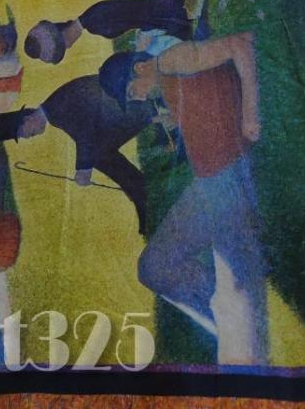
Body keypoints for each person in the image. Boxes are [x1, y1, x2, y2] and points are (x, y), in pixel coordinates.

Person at [98, 32, 268, 365]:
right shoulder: (169, 76)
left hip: (227, 179)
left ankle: (235, 314)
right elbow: (198, 98)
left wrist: (250, 112)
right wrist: (174, 120)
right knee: (152, 268)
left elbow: (242, 43)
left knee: (241, 302)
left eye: (133, 92)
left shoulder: (172, 59)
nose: (139, 98)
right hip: (208, 185)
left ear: (141, 68)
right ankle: (221, 305)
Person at [0, 75, 153, 232]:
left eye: (23, 133)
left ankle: (141, 193)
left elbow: (85, 132)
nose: (27, 137)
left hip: (126, 105)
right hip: (114, 108)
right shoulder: (53, 109)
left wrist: (83, 169)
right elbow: (84, 132)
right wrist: (84, 166)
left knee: (99, 155)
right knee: (99, 155)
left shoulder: (55, 110)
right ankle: (140, 192)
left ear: (27, 119)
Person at [24, 0, 201, 64]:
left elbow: (137, 14)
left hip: (164, 11)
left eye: (65, 46)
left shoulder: (95, 21)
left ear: (63, 34)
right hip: (157, 15)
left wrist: (144, 37)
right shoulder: (90, 21)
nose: (70, 46)